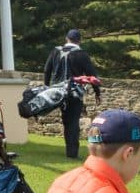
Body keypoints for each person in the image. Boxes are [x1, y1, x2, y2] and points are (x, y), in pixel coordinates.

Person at [42, 28, 101, 161]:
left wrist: (46, 88)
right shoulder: (81, 54)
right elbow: (92, 76)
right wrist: (97, 93)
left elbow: (47, 70)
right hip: (74, 92)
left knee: (66, 120)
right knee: (73, 121)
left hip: (57, 92)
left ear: (66, 39)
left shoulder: (55, 51)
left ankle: (69, 148)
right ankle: (72, 152)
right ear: (79, 40)